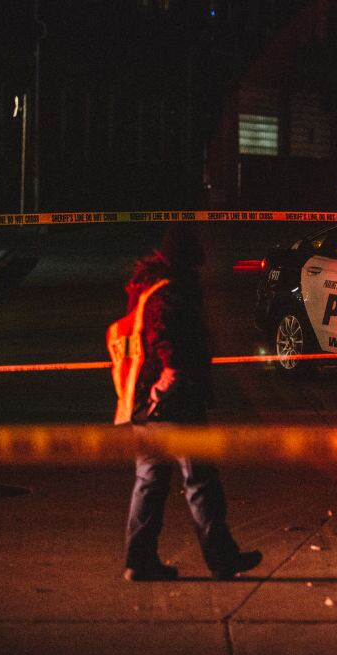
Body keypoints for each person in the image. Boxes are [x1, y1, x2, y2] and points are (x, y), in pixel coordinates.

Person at [110, 223, 261, 581]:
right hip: (174, 403)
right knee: (201, 481)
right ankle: (222, 558)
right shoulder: (173, 294)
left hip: (143, 403)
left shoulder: (149, 288)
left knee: (149, 481)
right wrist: (170, 389)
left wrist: (149, 400)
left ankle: (139, 560)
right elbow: (172, 352)